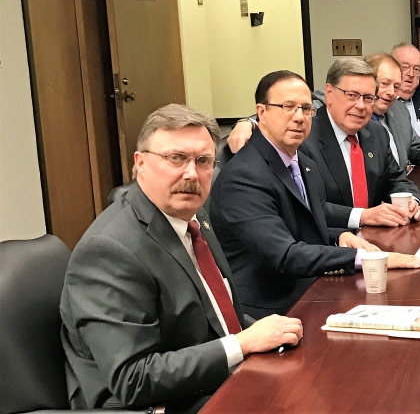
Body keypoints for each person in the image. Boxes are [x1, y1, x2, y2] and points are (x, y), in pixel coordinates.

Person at [60, 104, 304, 413]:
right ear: (141, 163)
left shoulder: (193, 217)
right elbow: (132, 380)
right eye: (176, 158)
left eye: (203, 160)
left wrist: (274, 333)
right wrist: (243, 343)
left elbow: (216, 319)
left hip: (206, 381)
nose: (191, 173)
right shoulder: (109, 251)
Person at [210, 70, 420, 318]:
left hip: (310, 289)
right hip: (271, 310)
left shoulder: (303, 164)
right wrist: (363, 257)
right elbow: (285, 254)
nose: (299, 118)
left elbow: (302, 226)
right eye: (288, 107)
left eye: (305, 109)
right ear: (261, 112)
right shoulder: (244, 177)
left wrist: (339, 237)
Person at [227, 60, 420, 229]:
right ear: (329, 93)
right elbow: (305, 207)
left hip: (372, 239)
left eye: (368, 98)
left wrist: (411, 200)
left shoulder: (377, 134)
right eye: (352, 95)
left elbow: (397, 180)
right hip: (326, 243)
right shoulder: (303, 136)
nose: (361, 106)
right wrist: (362, 216)